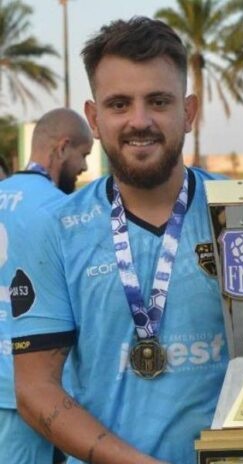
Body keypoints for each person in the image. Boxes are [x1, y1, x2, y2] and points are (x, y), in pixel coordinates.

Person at [11, 17, 243, 464]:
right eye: (119, 104)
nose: (139, 121)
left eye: (158, 101)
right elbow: (35, 388)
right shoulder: (56, 229)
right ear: (94, 119)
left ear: (188, 112)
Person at [0, 108, 93, 463]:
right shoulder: (61, 210)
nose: (85, 166)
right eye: (83, 154)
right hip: (28, 387)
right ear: (62, 148)